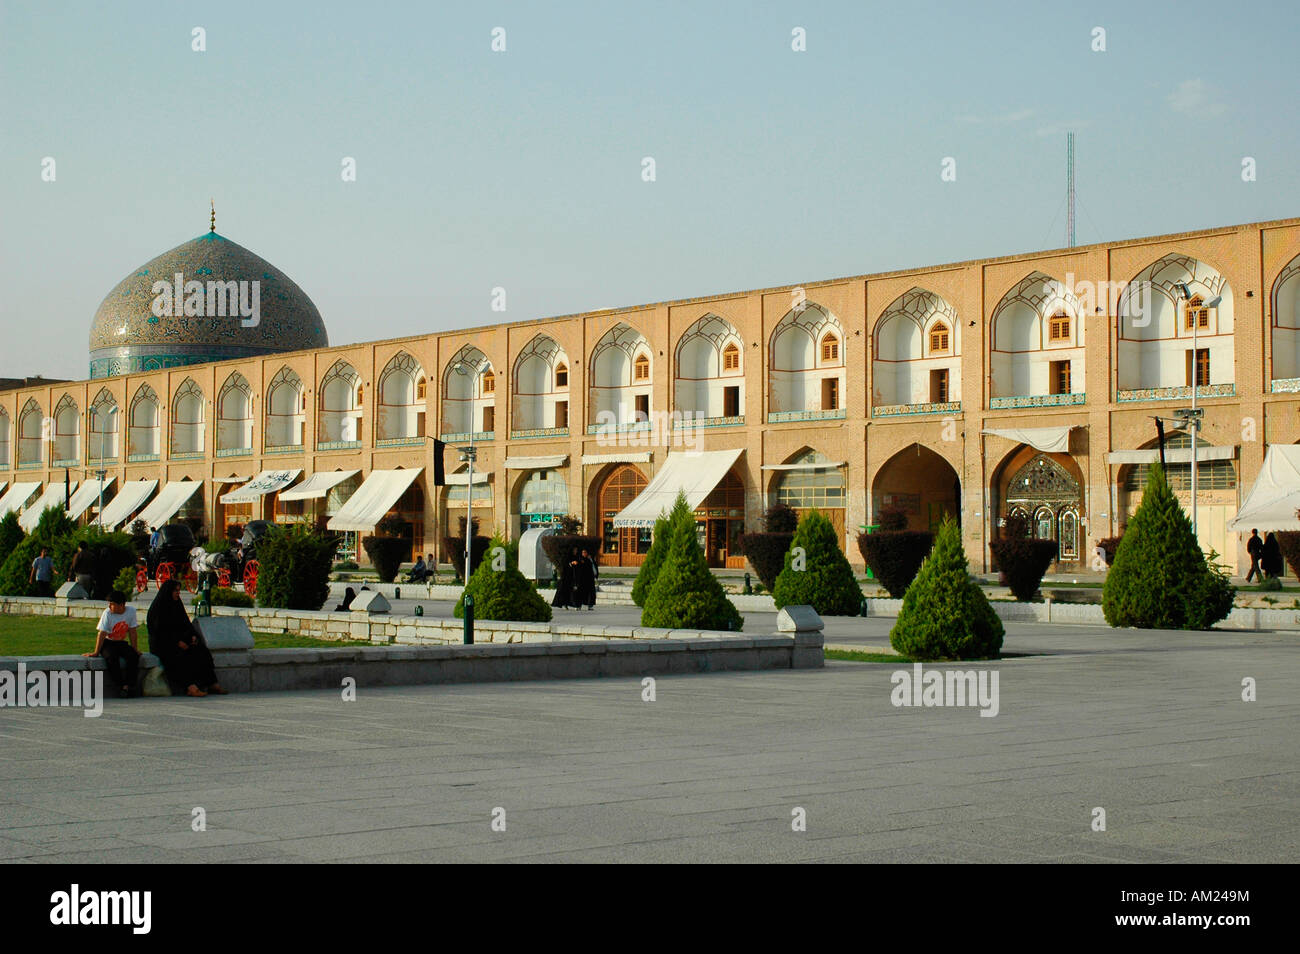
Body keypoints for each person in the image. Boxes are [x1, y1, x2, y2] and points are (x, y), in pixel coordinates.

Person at [147, 579, 227, 697]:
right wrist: (176, 643)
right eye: (175, 591)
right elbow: (159, 632)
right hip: (163, 645)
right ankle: (190, 687)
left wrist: (192, 636)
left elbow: (185, 624)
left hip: (181, 641)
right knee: (178, 658)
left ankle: (212, 684)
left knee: (201, 651)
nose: (178, 593)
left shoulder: (177, 604)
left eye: (179, 591)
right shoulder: (158, 608)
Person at [83, 589, 141, 697]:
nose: (109, 606)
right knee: (111, 658)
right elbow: (102, 634)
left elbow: (132, 631)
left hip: (121, 642)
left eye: (112, 604)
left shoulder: (131, 611)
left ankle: (130, 685)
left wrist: (135, 648)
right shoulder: (107, 613)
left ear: (121, 605)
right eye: (109, 604)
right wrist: (96, 652)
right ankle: (121, 685)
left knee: (133, 657)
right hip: (108, 642)